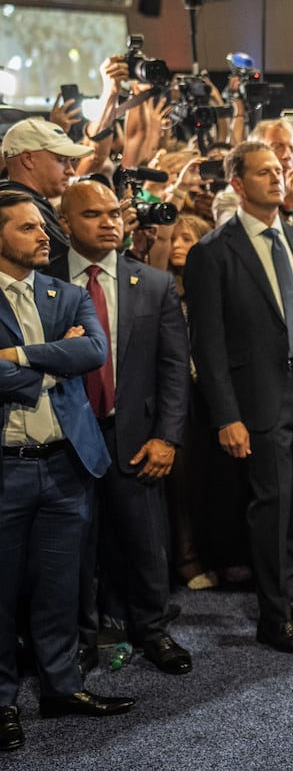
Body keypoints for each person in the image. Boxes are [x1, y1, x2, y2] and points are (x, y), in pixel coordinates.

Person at [185, 142, 293, 653]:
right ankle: (273, 616)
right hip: (256, 399)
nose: (276, 179)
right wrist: (225, 415)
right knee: (272, 504)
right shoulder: (212, 251)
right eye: (263, 173)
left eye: (279, 171)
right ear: (237, 184)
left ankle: (291, 596)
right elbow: (207, 345)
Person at [1, 189, 132, 753]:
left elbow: (94, 352)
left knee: (59, 587)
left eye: (43, 227)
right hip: (6, 471)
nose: (44, 237)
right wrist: (58, 357)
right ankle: (3, 701)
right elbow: (71, 359)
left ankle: (61, 686)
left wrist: (20, 358)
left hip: (64, 465)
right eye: (29, 228)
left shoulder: (67, 291)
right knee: (2, 593)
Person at [52, 180, 191, 675]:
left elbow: (174, 368)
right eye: (94, 215)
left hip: (135, 436)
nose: (110, 222)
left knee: (145, 543)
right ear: (65, 223)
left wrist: (167, 436)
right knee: (74, 548)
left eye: (115, 212)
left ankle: (154, 631)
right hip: (65, 439)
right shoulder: (40, 282)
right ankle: (81, 641)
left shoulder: (152, 283)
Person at [0, 118, 94, 263]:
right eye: (61, 160)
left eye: (70, 161)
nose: (70, 171)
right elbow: (69, 263)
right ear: (28, 159)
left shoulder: (36, 202)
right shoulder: (18, 207)